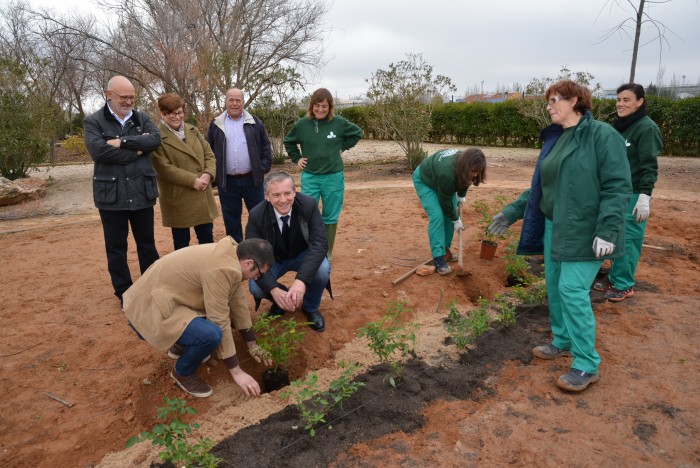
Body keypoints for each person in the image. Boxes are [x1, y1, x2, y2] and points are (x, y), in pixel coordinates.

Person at [488, 80, 631, 392]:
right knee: (554, 286)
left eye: (554, 100)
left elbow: (618, 185)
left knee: (572, 289)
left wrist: (607, 229)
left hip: (588, 230)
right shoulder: (556, 139)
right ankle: (563, 340)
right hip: (555, 226)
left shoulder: (601, 135)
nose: (549, 106)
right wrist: (513, 211)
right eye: (548, 101)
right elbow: (542, 186)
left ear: (576, 100)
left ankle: (586, 364)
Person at [122, 237, 275, 398]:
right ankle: (182, 373)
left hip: (168, 296)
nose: (257, 278)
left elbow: (237, 303)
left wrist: (252, 344)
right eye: (259, 273)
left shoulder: (232, 255)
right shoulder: (222, 268)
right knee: (212, 335)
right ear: (249, 263)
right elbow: (219, 318)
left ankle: (181, 346)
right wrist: (236, 372)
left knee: (215, 315)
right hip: (148, 309)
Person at [83, 76, 161, 308]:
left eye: (132, 97)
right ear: (109, 94)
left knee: (147, 244)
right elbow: (99, 152)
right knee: (116, 248)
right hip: (111, 196)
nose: (128, 102)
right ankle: (125, 293)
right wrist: (137, 149)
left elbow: (155, 141)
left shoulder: (142, 118)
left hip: (142, 194)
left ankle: (151, 288)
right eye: (123, 97)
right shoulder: (94, 121)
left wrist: (121, 142)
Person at [593, 83, 663, 302]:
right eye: (618, 99)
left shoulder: (646, 128)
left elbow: (649, 166)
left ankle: (624, 284)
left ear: (640, 102)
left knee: (629, 238)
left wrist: (644, 197)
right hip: (615, 192)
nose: (620, 104)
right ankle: (614, 276)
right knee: (612, 233)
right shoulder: (621, 126)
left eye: (626, 100)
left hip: (633, 194)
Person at [245, 171, 331, 333]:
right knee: (255, 287)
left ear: (294, 192)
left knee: (322, 269)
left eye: (287, 193)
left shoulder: (309, 205)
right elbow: (253, 255)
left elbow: (319, 243)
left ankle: (310, 306)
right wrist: (273, 289)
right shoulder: (256, 215)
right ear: (267, 197)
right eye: (276, 195)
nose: (283, 200)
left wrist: (301, 281)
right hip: (272, 259)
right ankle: (282, 301)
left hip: (303, 254)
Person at [283, 88, 363, 261]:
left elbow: (358, 133)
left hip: (333, 177)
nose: (320, 109)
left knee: (330, 214)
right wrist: (297, 159)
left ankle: (327, 252)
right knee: (306, 213)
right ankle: (308, 249)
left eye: (324, 106)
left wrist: (343, 147)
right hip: (310, 176)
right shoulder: (302, 125)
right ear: (312, 106)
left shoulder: (339, 123)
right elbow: (288, 142)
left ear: (330, 107)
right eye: (317, 105)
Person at [152, 93, 219, 250]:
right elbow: (163, 167)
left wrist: (208, 174)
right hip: (178, 196)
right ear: (162, 113)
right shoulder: (157, 137)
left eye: (179, 112)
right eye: (171, 113)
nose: (177, 117)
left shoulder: (193, 130)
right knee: (182, 243)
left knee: (207, 239)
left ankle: (207, 273)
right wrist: (193, 181)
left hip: (202, 193)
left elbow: (209, 154)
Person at [207, 88, 272, 242]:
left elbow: (265, 148)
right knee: (232, 222)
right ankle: (237, 255)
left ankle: (260, 251)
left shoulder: (255, 122)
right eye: (231, 100)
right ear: (226, 102)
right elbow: (208, 151)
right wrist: (216, 176)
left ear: (243, 102)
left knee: (260, 218)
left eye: (238, 100)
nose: (234, 103)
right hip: (227, 182)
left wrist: (261, 168)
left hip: (253, 180)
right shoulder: (216, 124)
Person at [412, 148, 487, 275]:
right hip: (425, 180)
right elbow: (445, 202)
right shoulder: (448, 173)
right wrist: (456, 218)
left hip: (441, 180)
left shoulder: (468, 163)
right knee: (437, 216)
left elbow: (466, 180)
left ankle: (445, 251)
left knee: (449, 217)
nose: (475, 175)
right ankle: (439, 259)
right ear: (465, 167)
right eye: (473, 171)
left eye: (478, 172)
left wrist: (461, 195)